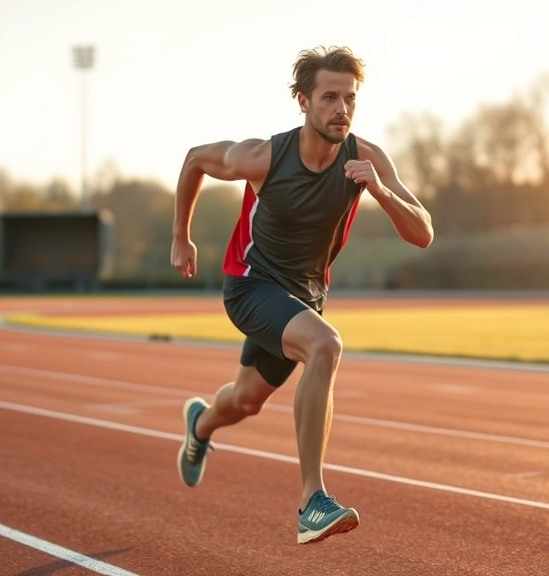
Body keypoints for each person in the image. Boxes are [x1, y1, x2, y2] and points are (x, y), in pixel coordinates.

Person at [170, 45, 433, 545]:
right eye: (329, 97)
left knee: (245, 402)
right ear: (303, 101)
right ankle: (312, 501)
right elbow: (194, 160)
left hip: (301, 300)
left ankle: (201, 424)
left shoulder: (367, 158)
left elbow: (423, 233)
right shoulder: (264, 156)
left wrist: (379, 190)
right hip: (250, 286)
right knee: (325, 346)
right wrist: (181, 235)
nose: (342, 109)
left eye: (350, 99)